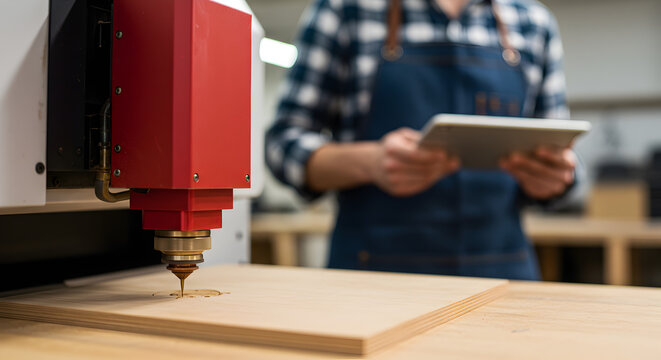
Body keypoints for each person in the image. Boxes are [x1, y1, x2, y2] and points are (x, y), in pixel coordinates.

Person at [266, 0, 579, 280]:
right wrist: (371, 162)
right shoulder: (344, 10)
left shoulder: (534, 23)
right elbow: (282, 143)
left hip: (503, 273)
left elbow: (564, 155)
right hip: (373, 279)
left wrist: (557, 177)